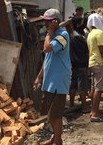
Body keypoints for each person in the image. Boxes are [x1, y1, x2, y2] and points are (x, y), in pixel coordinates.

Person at [31, 9, 71, 145]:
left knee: (55, 115)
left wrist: (50, 33)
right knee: (50, 114)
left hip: (58, 82)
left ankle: (58, 141)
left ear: (55, 22)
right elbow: (47, 59)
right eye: (45, 21)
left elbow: (47, 48)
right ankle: (55, 138)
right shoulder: (54, 35)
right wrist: (39, 77)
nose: (45, 24)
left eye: (48, 22)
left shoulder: (62, 35)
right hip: (49, 81)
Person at [86, 13, 103, 122]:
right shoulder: (99, 33)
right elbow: (102, 49)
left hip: (92, 62)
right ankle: (95, 114)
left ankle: (93, 111)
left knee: (95, 88)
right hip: (99, 62)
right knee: (98, 89)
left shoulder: (90, 34)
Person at [68, 16, 90, 113]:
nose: (84, 25)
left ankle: (71, 104)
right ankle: (84, 107)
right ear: (78, 25)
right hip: (81, 63)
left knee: (73, 84)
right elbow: (86, 51)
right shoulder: (79, 37)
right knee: (82, 85)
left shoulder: (71, 35)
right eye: (82, 23)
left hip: (74, 63)